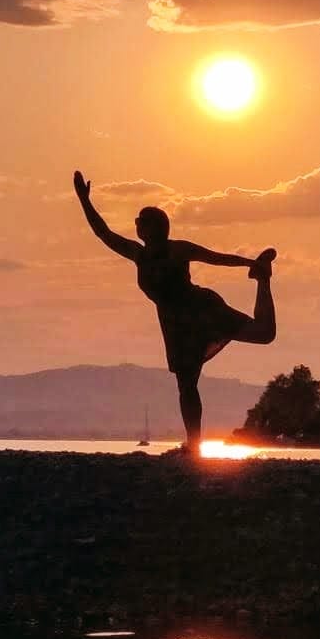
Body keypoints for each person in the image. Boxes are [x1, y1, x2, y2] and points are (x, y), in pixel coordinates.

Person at [74, 170, 276, 452]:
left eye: (140, 221)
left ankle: (262, 279)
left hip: (201, 310)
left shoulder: (177, 250)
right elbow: (103, 232)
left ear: (154, 227)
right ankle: (194, 445)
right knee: (186, 384)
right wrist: (84, 200)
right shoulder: (138, 254)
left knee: (264, 334)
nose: (136, 225)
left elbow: (215, 258)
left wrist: (249, 263)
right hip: (176, 325)